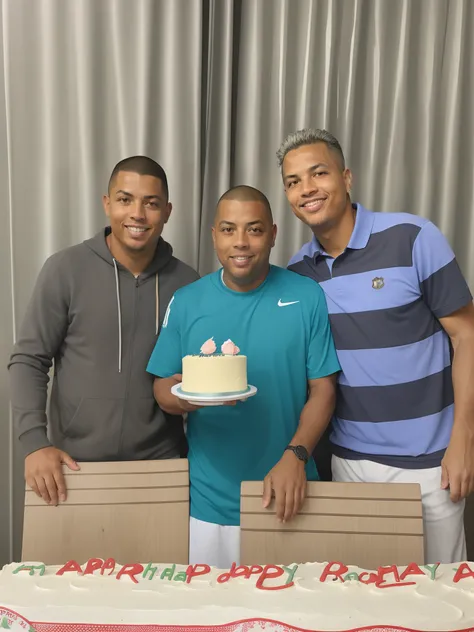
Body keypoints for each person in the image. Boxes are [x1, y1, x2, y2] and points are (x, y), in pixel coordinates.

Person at [277, 127, 474, 563]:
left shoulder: (413, 237)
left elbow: (467, 336)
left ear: (346, 178)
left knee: (442, 605)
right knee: (364, 602)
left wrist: (465, 438)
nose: (306, 189)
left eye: (318, 174)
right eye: (293, 182)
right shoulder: (296, 271)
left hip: (431, 463)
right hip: (349, 464)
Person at [146, 185, 340, 567]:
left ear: (272, 234)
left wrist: (296, 456)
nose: (241, 242)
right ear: (214, 235)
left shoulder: (306, 295)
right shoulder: (187, 300)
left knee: (292, 619)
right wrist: (192, 395)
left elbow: (324, 390)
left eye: (253, 230)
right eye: (229, 229)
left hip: (290, 490)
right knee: (213, 620)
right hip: (210, 502)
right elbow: (161, 387)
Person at [8, 156, 199, 507]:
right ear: (107, 203)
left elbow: (198, 374)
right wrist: (35, 443)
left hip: (162, 469)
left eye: (151, 203)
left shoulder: (188, 284)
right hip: (72, 469)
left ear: (168, 211)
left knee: (160, 565)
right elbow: (28, 361)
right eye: (125, 200)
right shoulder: (65, 269)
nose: (137, 214)